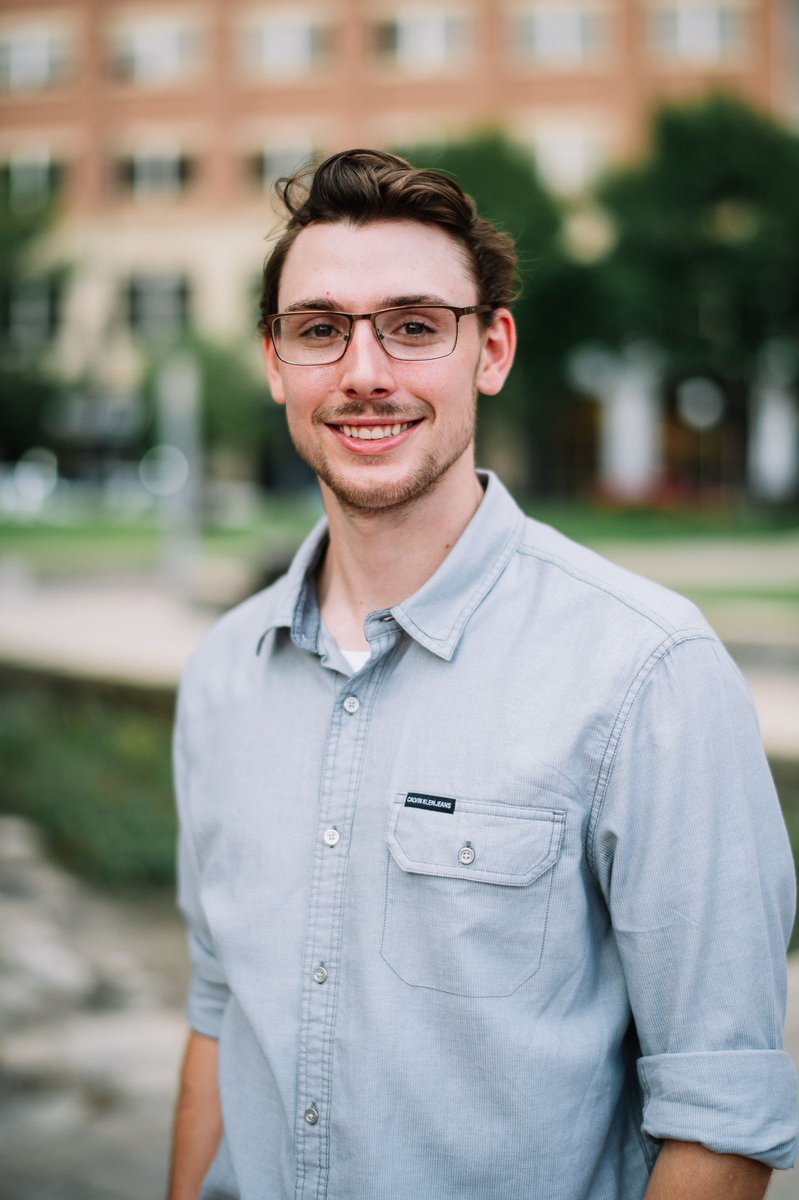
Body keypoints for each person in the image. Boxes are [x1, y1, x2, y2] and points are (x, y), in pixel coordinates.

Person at [167, 148, 797, 1200]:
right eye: (320, 329)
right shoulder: (224, 672)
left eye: (414, 326)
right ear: (275, 361)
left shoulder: (647, 672)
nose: (364, 372)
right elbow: (216, 1012)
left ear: (490, 349)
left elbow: (720, 1119)